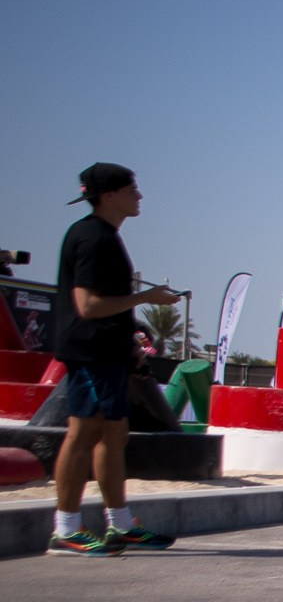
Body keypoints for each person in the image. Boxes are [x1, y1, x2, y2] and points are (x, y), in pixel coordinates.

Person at [47, 163, 182, 556]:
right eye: (132, 190)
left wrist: (130, 340)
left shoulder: (106, 236)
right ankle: (66, 528)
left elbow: (105, 306)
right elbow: (87, 306)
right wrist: (146, 297)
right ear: (109, 196)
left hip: (107, 353)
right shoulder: (92, 238)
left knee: (114, 434)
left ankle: (120, 524)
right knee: (83, 434)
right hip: (89, 352)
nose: (138, 197)